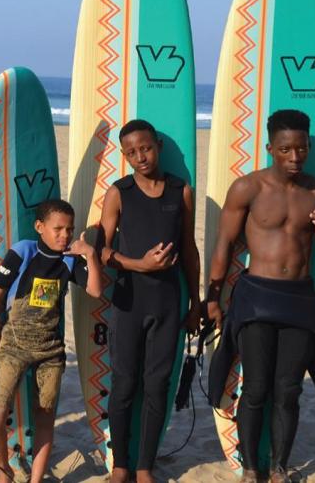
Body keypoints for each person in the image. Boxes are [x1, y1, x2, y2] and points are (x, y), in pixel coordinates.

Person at [205, 110, 315, 483]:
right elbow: (224, 245)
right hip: (256, 296)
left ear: (310, 146)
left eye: (302, 148)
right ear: (270, 148)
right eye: (286, 149)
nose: (295, 157)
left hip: (298, 297)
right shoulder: (247, 188)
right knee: (256, 387)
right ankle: (252, 469)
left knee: (289, 390)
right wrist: (213, 296)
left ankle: (279, 468)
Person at [0, 199, 103, 483]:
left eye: (70, 229)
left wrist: (89, 254)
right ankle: (4, 473)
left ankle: (36, 479)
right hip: (13, 346)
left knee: (45, 419)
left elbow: (95, 291)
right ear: (39, 227)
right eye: (58, 229)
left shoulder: (69, 260)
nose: (64, 235)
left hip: (50, 352)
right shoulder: (22, 252)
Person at [96, 120, 201, 483]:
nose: (141, 157)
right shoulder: (119, 192)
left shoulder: (180, 191)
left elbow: (189, 249)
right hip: (128, 301)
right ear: (125, 156)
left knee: (157, 384)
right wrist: (138, 264)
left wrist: (196, 302)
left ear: (157, 145)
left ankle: (144, 466)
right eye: (131, 152)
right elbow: (102, 249)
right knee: (124, 383)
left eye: (146, 148)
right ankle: (121, 463)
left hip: (168, 302)